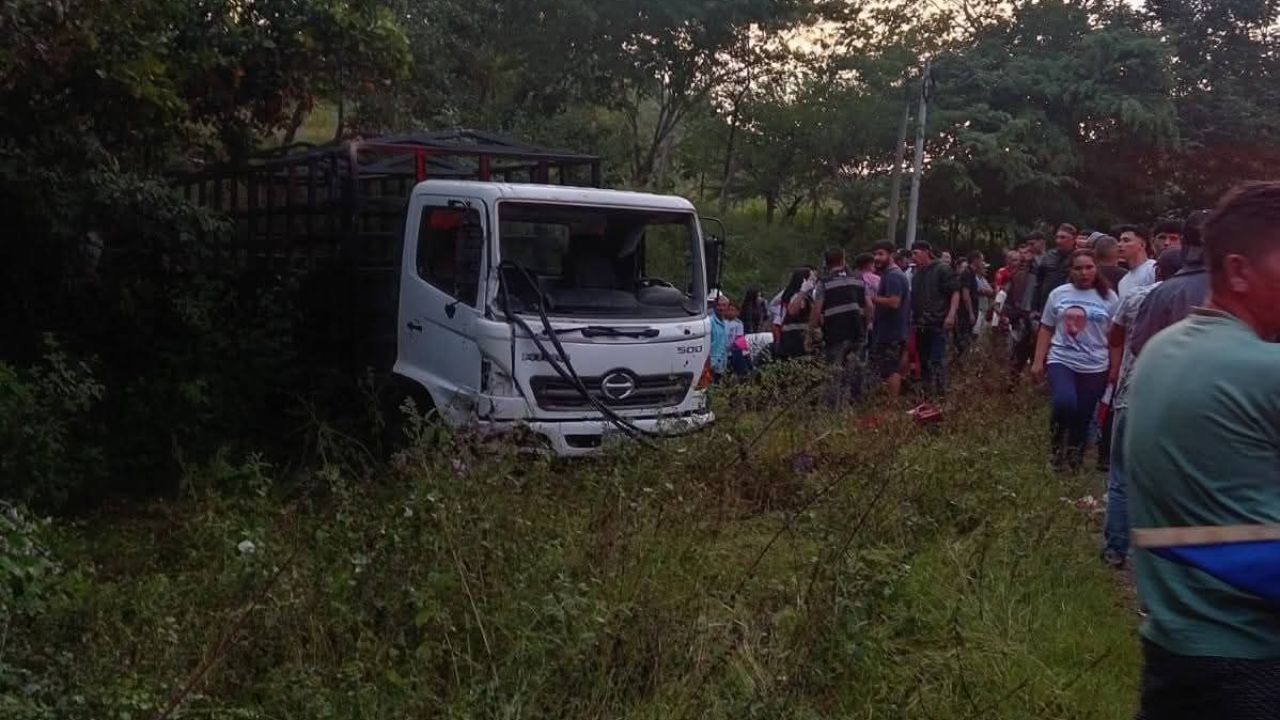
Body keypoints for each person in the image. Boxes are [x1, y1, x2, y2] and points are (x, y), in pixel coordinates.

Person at [1127, 182, 1280, 718]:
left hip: (1174, 650)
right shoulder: (1263, 372)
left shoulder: (1163, 350)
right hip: (1253, 666)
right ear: (1239, 271)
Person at [1102, 248, 1183, 568]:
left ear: (1158, 270)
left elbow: (1115, 335)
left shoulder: (1135, 297)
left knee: (1120, 477)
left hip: (1129, 394)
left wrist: (1114, 368)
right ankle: (1151, 555)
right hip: (1168, 401)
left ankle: (1115, 549)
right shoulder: (1199, 300)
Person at [1031, 249, 1119, 470]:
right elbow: (1046, 327)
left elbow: (1116, 337)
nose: (1084, 272)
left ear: (1096, 268)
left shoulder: (1109, 297)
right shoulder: (1059, 294)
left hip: (1095, 364)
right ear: (1070, 270)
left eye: (1089, 267)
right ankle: (1056, 448)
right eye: (1078, 268)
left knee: (1083, 414)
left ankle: (1074, 458)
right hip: (1062, 359)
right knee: (1064, 402)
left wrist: (1115, 367)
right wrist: (1038, 360)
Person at [1128, 211, 1211, 358]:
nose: (1167, 243)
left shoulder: (1163, 294)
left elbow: (1140, 347)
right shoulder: (1245, 287)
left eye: (1173, 238)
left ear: (1183, 242)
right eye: (1162, 238)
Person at [810, 247, 872, 409]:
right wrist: (868, 324)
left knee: (834, 374)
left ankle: (833, 410)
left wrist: (810, 333)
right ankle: (856, 405)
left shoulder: (824, 283)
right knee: (856, 370)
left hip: (835, 335)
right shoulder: (858, 280)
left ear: (826, 263)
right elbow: (869, 306)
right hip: (857, 332)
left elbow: (817, 310)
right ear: (843, 261)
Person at [909, 242, 960, 398]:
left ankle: (940, 395)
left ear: (926, 252)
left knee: (937, 360)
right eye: (912, 254)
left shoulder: (942, 269)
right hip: (921, 324)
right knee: (923, 361)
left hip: (939, 322)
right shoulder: (917, 275)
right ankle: (927, 397)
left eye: (916, 253)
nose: (913, 257)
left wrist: (951, 315)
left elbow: (955, 292)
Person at [870, 241, 910, 399]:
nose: (876, 258)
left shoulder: (893, 276)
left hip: (892, 333)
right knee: (887, 369)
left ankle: (891, 407)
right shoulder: (888, 275)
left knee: (891, 370)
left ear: (891, 255)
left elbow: (894, 302)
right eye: (875, 254)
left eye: (881, 254)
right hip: (888, 331)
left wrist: (871, 298)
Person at [1033, 223, 1078, 314]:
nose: (1058, 241)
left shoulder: (1078, 257)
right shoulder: (1049, 256)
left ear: (1073, 239)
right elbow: (1039, 283)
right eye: (1057, 237)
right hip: (1047, 303)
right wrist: (1034, 308)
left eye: (1063, 237)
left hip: (1069, 304)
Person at [776, 268, 815, 359]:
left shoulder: (808, 297)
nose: (814, 280)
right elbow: (792, 311)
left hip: (801, 337)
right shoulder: (796, 296)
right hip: (794, 339)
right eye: (811, 278)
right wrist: (803, 291)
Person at [1116, 224, 1156, 299]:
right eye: (1120, 240)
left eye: (1126, 240)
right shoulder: (1123, 282)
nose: (1119, 244)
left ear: (1142, 245)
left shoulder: (1153, 268)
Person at [709, 294, 731, 378]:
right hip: (711, 364)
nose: (721, 308)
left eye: (724, 305)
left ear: (727, 307)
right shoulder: (710, 322)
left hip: (722, 364)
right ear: (714, 306)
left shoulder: (727, 323)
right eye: (719, 305)